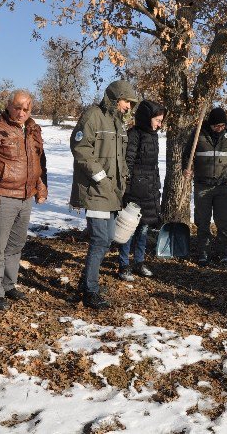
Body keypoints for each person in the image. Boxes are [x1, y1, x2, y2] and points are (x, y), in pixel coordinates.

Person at [0, 90, 48, 311]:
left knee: (16, 245)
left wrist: (40, 187)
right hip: (3, 196)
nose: (21, 112)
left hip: (25, 196)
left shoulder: (34, 128)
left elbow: (39, 161)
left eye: (26, 109)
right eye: (17, 107)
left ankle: (9, 284)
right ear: (8, 105)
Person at [70, 80, 138, 310]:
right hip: (95, 190)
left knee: (108, 239)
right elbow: (80, 148)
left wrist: (124, 179)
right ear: (114, 98)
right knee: (100, 239)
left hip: (112, 192)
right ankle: (90, 291)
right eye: (126, 101)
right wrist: (98, 175)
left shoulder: (118, 123)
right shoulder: (93, 116)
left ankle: (86, 282)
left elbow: (118, 159)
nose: (128, 106)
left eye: (130, 103)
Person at [182, 107, 227, 267]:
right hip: (203, 186)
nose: (219, 129)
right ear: (210, 124)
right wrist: (186, 169)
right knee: (203, 221)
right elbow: (187, 154)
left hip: (222, 186)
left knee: (224, 221)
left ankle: (223, 252)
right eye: (216, 126)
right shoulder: (198, 133)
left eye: (222, 125)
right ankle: (204, 252)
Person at [118, 100, 165, 282]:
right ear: (147, 118)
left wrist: (155, 186)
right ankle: (124, 265)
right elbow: (127, 163)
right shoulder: (134, 135)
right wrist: (127, 189)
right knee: (128, 230)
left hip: (149, 190)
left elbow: (153, 166)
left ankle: (139, 262)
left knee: (144, 229)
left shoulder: (153, 136)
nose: (159, 124)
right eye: (157, 120)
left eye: (161, 121)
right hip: (134, 191)